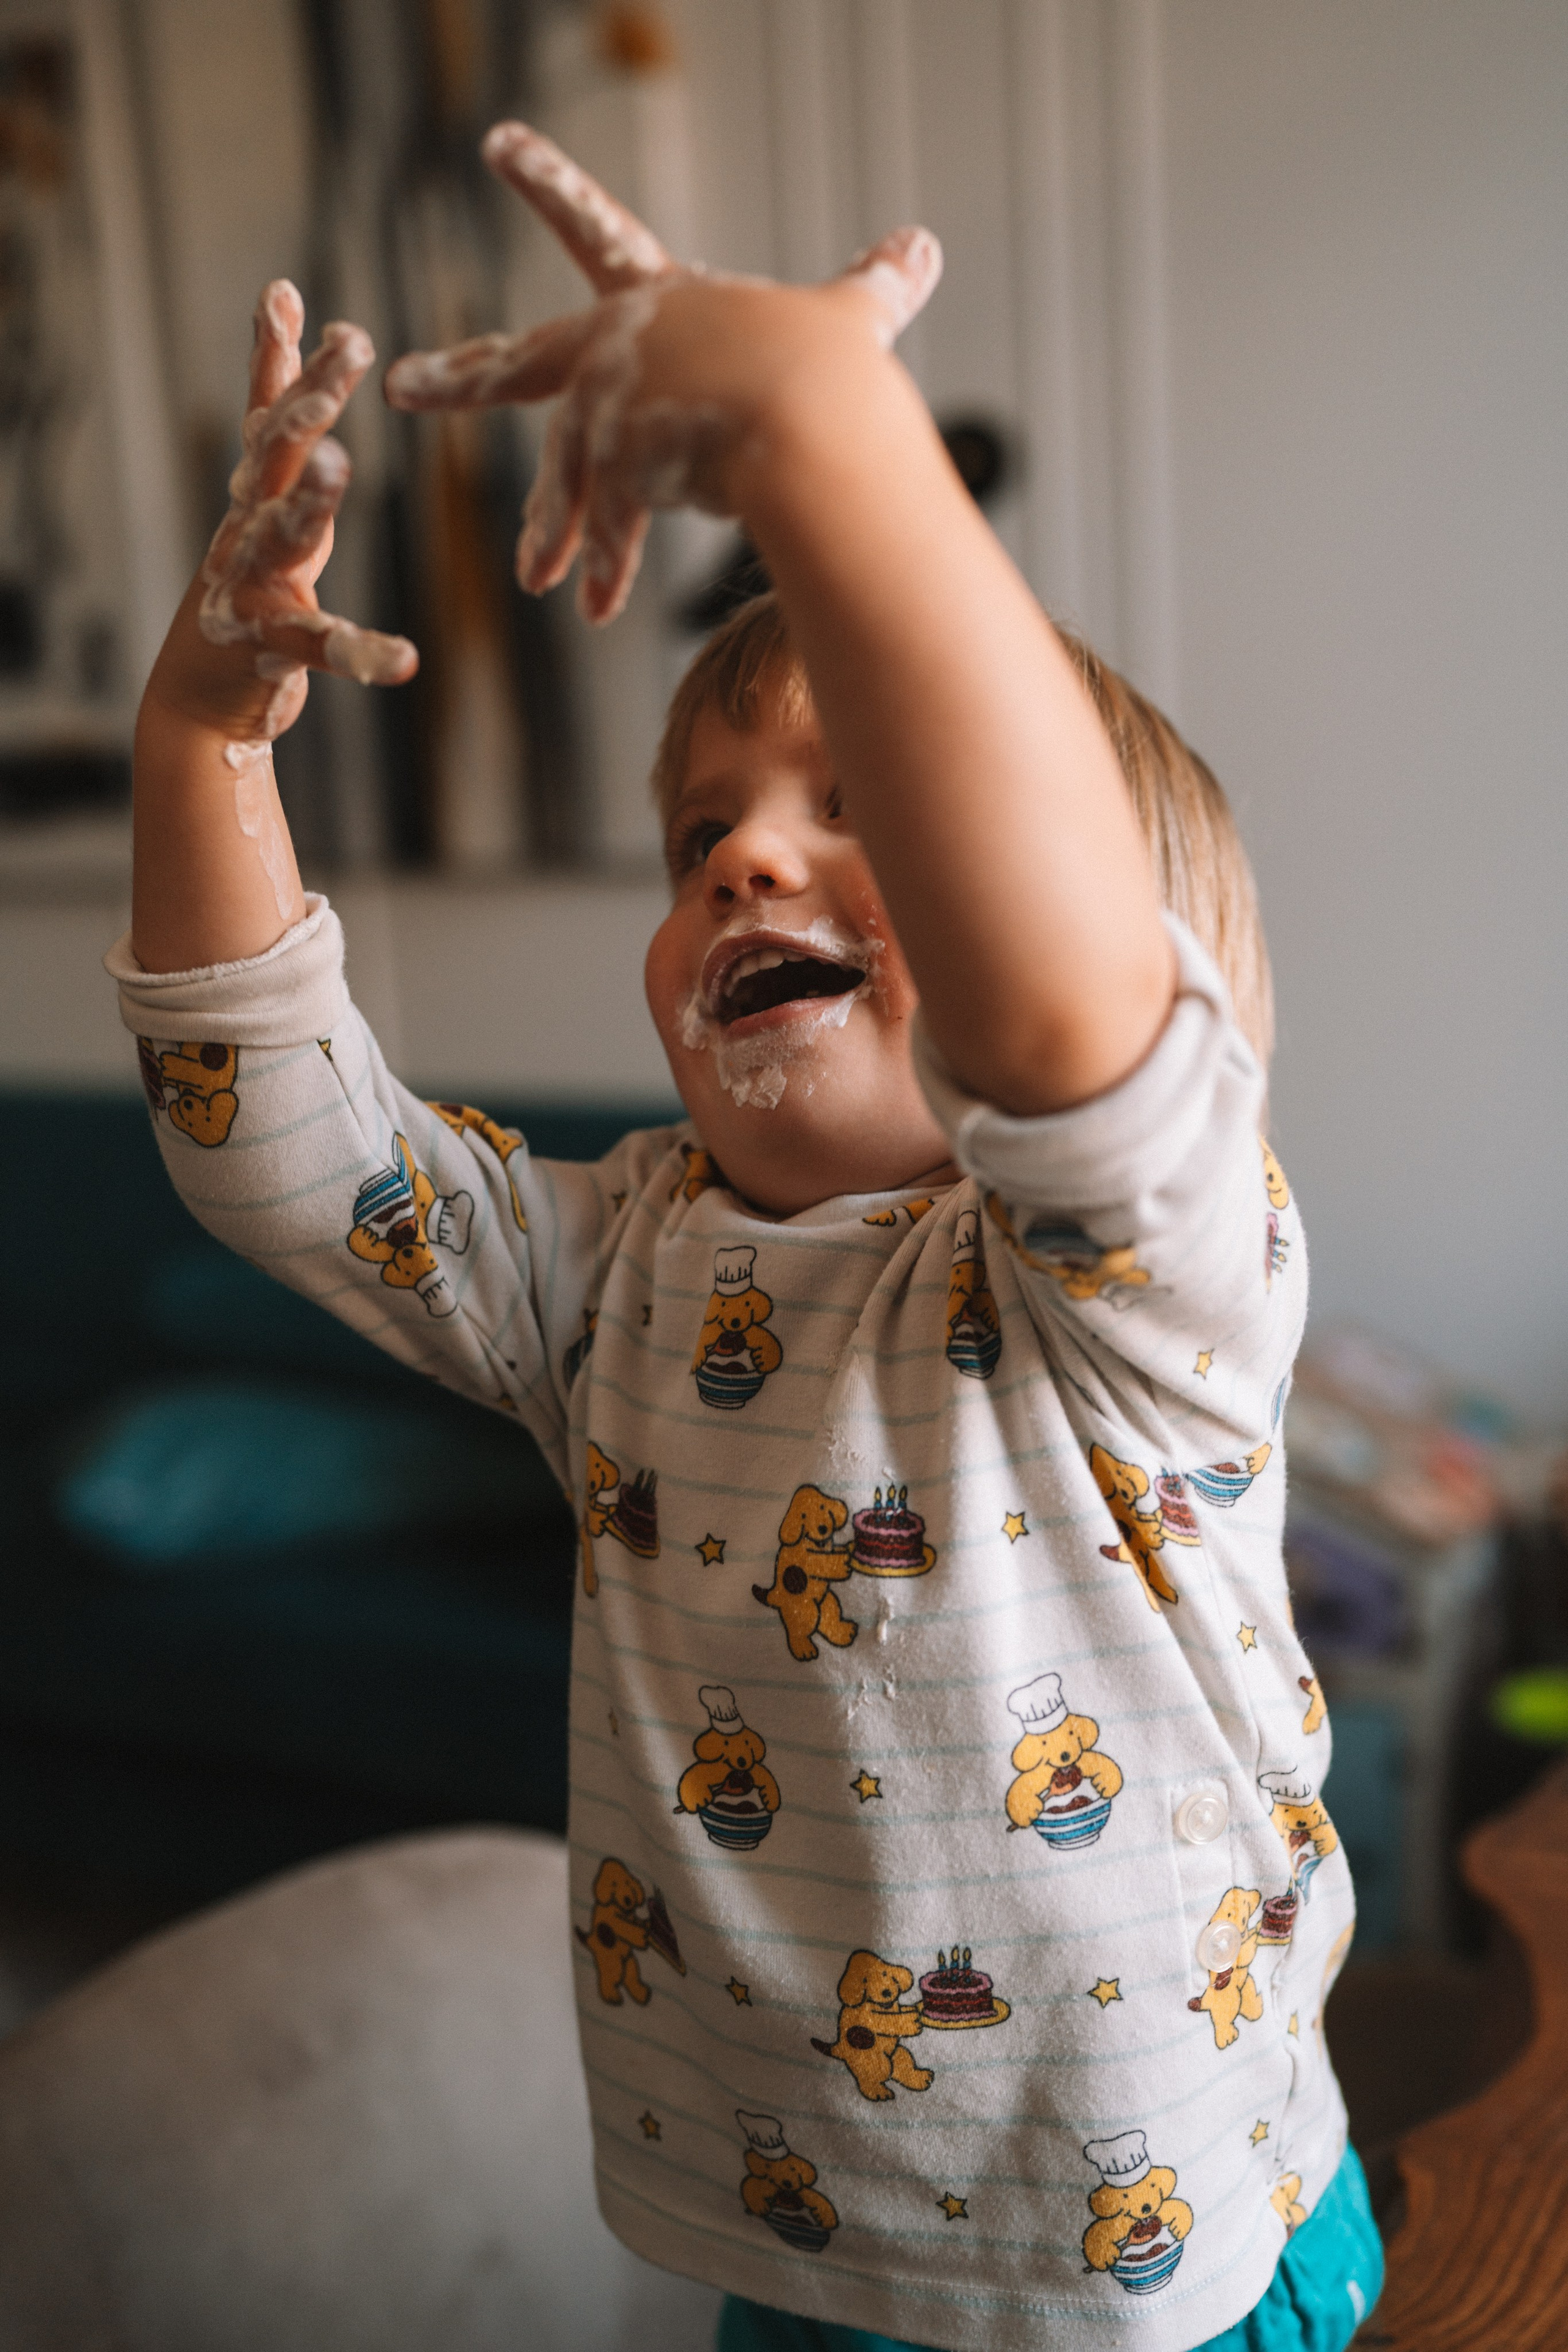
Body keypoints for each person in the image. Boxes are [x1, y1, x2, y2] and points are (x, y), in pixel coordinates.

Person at [110, 123, 1380, 2352]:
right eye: (704, 830)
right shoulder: (622, 1267)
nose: (743, 869)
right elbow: (280, 1149)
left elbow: (1065, 1013)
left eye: (853, 808)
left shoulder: (1134, 1285)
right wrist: (205, 733)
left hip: (1158, 2277)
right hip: (792, 2246)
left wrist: (820, 439)